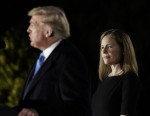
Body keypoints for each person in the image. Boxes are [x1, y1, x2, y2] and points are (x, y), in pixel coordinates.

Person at [12, 6, 92, 116]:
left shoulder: (70, 59)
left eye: (32, 24)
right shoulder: (43, 57)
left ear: (48, 32)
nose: (28, 30)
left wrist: (40, 113)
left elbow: (78, 108)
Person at [92, 29, 141, 116]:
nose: (103, 51)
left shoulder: (129, 79)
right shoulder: (105, 79)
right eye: (102, 47)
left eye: (109, 46)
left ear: (123, 49)